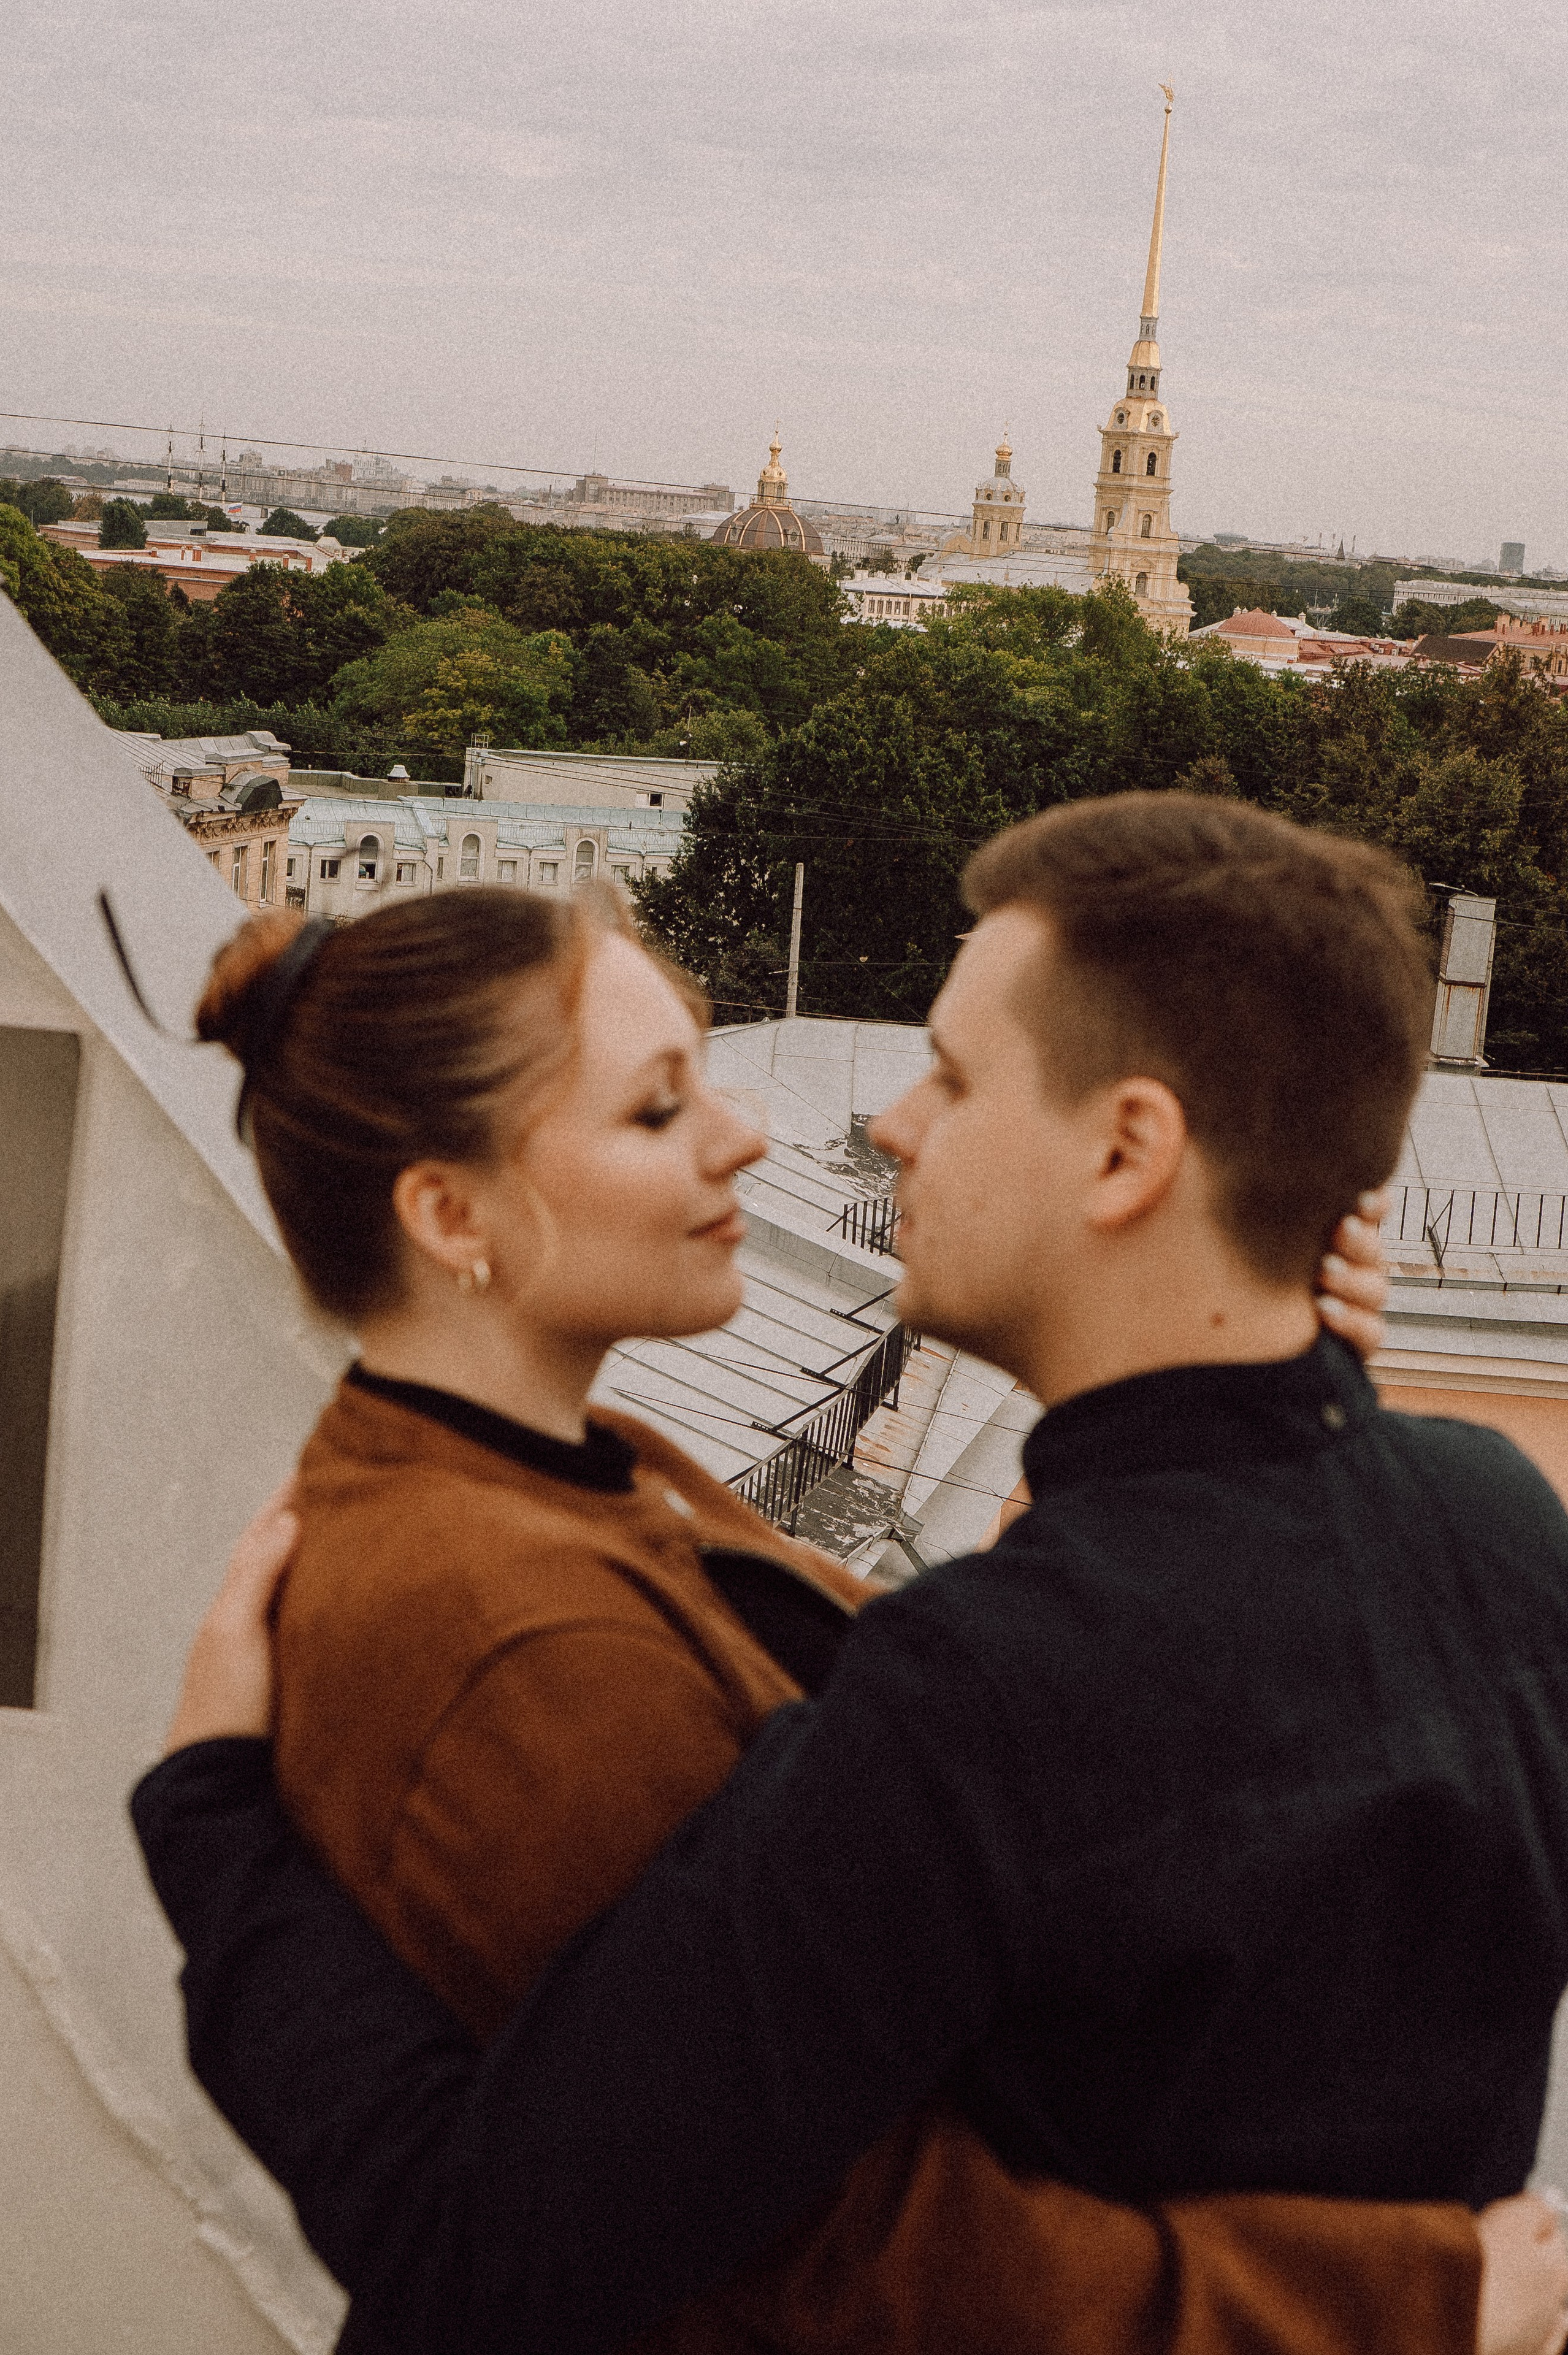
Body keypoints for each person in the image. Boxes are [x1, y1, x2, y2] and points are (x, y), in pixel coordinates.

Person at [132, 803, 1568, 2355]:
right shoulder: (1492, 1516)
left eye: (949, 1072)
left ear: (1128, 1150)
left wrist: (216, 1839)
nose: (874, 1119)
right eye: (656, 1107)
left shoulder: (938, 1662)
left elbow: (509, 2241)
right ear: (449, 1215)